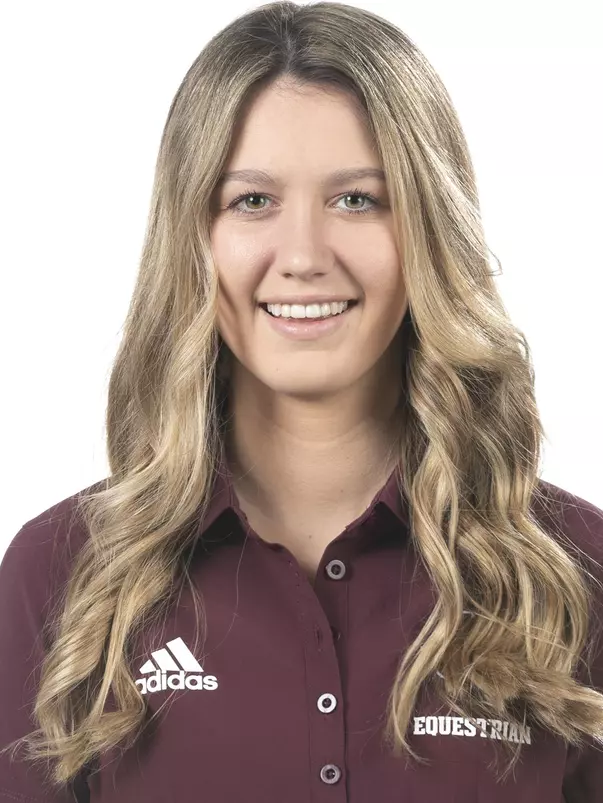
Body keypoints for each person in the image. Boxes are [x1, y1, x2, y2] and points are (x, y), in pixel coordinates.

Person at [1, 2, 602, 801]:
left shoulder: (573, 572)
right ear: (192, 237)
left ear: (429, 230)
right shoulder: (60, 572)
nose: (304, 256)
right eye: (252, 201)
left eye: (357, 199)